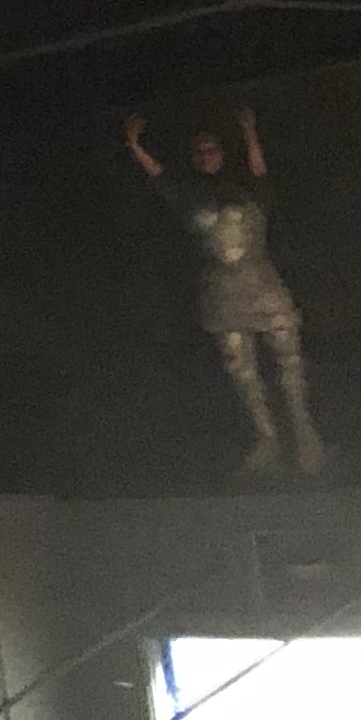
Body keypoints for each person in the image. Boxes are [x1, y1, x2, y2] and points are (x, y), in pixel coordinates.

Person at [126, 107, 328, 476]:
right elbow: (161, 178)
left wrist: (250, 133)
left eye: (212, 149)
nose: (206, 156)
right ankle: (266, 438)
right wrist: (135, 146)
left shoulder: (247, 187)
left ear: (221, 152)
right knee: (242, 371)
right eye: (199, 151)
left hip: (262, 283)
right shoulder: (190, 195)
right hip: (221, 290)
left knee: (289, 360)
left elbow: (259, 171)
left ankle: (304, 433)